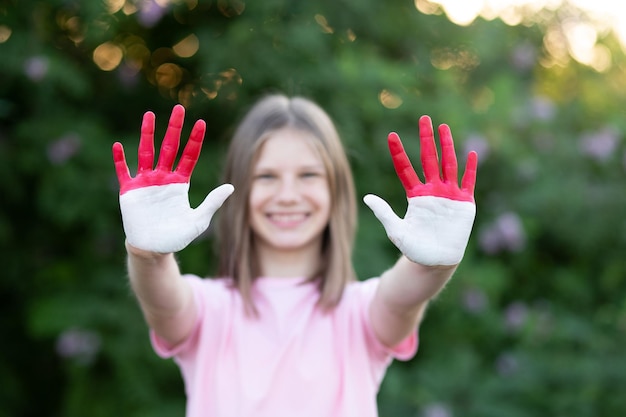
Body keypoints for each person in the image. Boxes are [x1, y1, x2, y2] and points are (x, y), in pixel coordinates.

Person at [112, 94, 478, 417]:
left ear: (336, 190)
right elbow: (164, 305)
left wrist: (432, 264)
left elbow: (402, 300)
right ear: (238, 190)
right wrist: (148, 256)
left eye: (308, 175)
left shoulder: (359, 314)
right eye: (266, 177)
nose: (288, 194)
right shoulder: (209, 310)